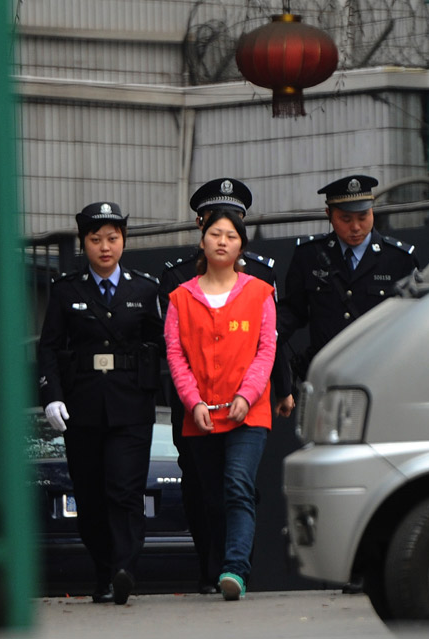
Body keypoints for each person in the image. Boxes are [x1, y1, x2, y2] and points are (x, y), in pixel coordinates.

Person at [158, 177, 292, 594]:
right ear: (201, 235)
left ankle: (234, 569)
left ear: (241, 243)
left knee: (238, 484)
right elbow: (175, 355)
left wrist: (256, 393)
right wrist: (191, 401)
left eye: (231, 234)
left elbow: (268, 349)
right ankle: (213, 569)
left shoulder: (260, 289)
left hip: (247, 409)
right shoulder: (180, 293)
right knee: (209, 495)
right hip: (199, 411)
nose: (222, 240)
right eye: (214, 232)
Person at [38, 201, 163, 605]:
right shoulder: (66, 290)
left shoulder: (145, 289)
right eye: (96, 240)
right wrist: (51, 397)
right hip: (83, 405)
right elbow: (49, 349)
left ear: (124, 240)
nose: (105, 247)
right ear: (83, 243)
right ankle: (104, 572)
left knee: (124, 491)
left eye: (113, 238)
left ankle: (125, 568)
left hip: (130, 406)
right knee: (90, 495)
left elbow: (162, 347)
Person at [277, 174, 419, 385]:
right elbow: (292, 311)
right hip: (327, 374)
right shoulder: (310, 256)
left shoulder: (398, 259)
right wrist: (264, 336)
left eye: (363, 217)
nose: (355, 227)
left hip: (380, 374)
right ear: (329, 215)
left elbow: (414, 320)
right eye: (346, 219)